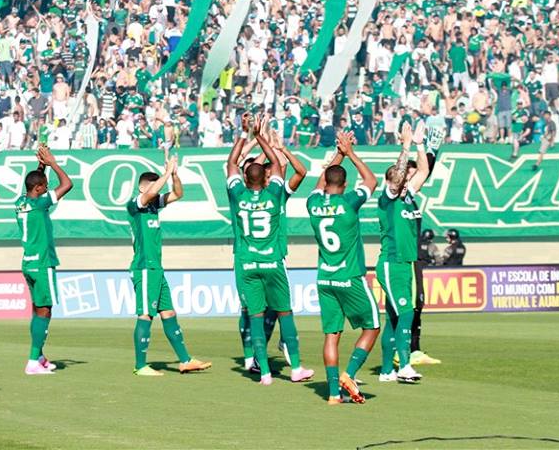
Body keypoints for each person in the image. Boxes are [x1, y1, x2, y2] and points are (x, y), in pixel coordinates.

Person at [226, 114, 313, 386]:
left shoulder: (237, 195)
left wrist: (245, 133)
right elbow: (276, 163)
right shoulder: (274, 194)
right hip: (273, 262)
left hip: (246, 263)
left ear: (243, 178)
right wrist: (261, 137)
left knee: (255, 316)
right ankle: (296, 367)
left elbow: (230, 163)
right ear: (265, 178)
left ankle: (263, 372)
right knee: (285, 313)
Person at [307, 131, 378, 405]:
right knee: (372, 327)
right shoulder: (349, 202)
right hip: (350, 276)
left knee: (331, 335)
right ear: (346, 184)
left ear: (325, 182)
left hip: (325, 279)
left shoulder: (312, 204)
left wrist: (337, 155)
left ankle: (334, 395)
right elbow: (371, 180)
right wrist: (349, 153)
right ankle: (349, 374)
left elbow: (320, 182)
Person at [128, 155, 211, 376]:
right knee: (146, 314)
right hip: (144, 268)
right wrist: (165, 173)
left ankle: (185, 360)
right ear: (142, 187)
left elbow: (178, 193)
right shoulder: (135, 205)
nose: (155, 192)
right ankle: (140, 365)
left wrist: (174, 174)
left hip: (157, 269)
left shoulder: (154, 207)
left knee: (169, 312)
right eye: (152, 186)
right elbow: (151, 193)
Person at [376, 121, 429, 384]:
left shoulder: (409, 196)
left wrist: (419, 145)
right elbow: (398, 178)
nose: (406, 177)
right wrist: (405, 146)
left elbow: (423, 171)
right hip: (392, 262)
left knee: (394, 318)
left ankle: (386, 370)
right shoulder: (387, 198)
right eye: (401, 176)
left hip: (405, 263)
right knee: (407, 312)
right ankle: (404, 365)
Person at [16, 146, 73, 375]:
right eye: (44, 186)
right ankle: (32, 361)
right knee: (44, 311)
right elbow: (67, 184)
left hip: (28, 263)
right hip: (42, 262)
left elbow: (35, 182)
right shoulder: (40, 203)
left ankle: (38, 356)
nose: (47, 188)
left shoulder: (21, 202)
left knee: (36, 310)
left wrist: (41, 166)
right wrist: (53, 163)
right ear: (38, 189)